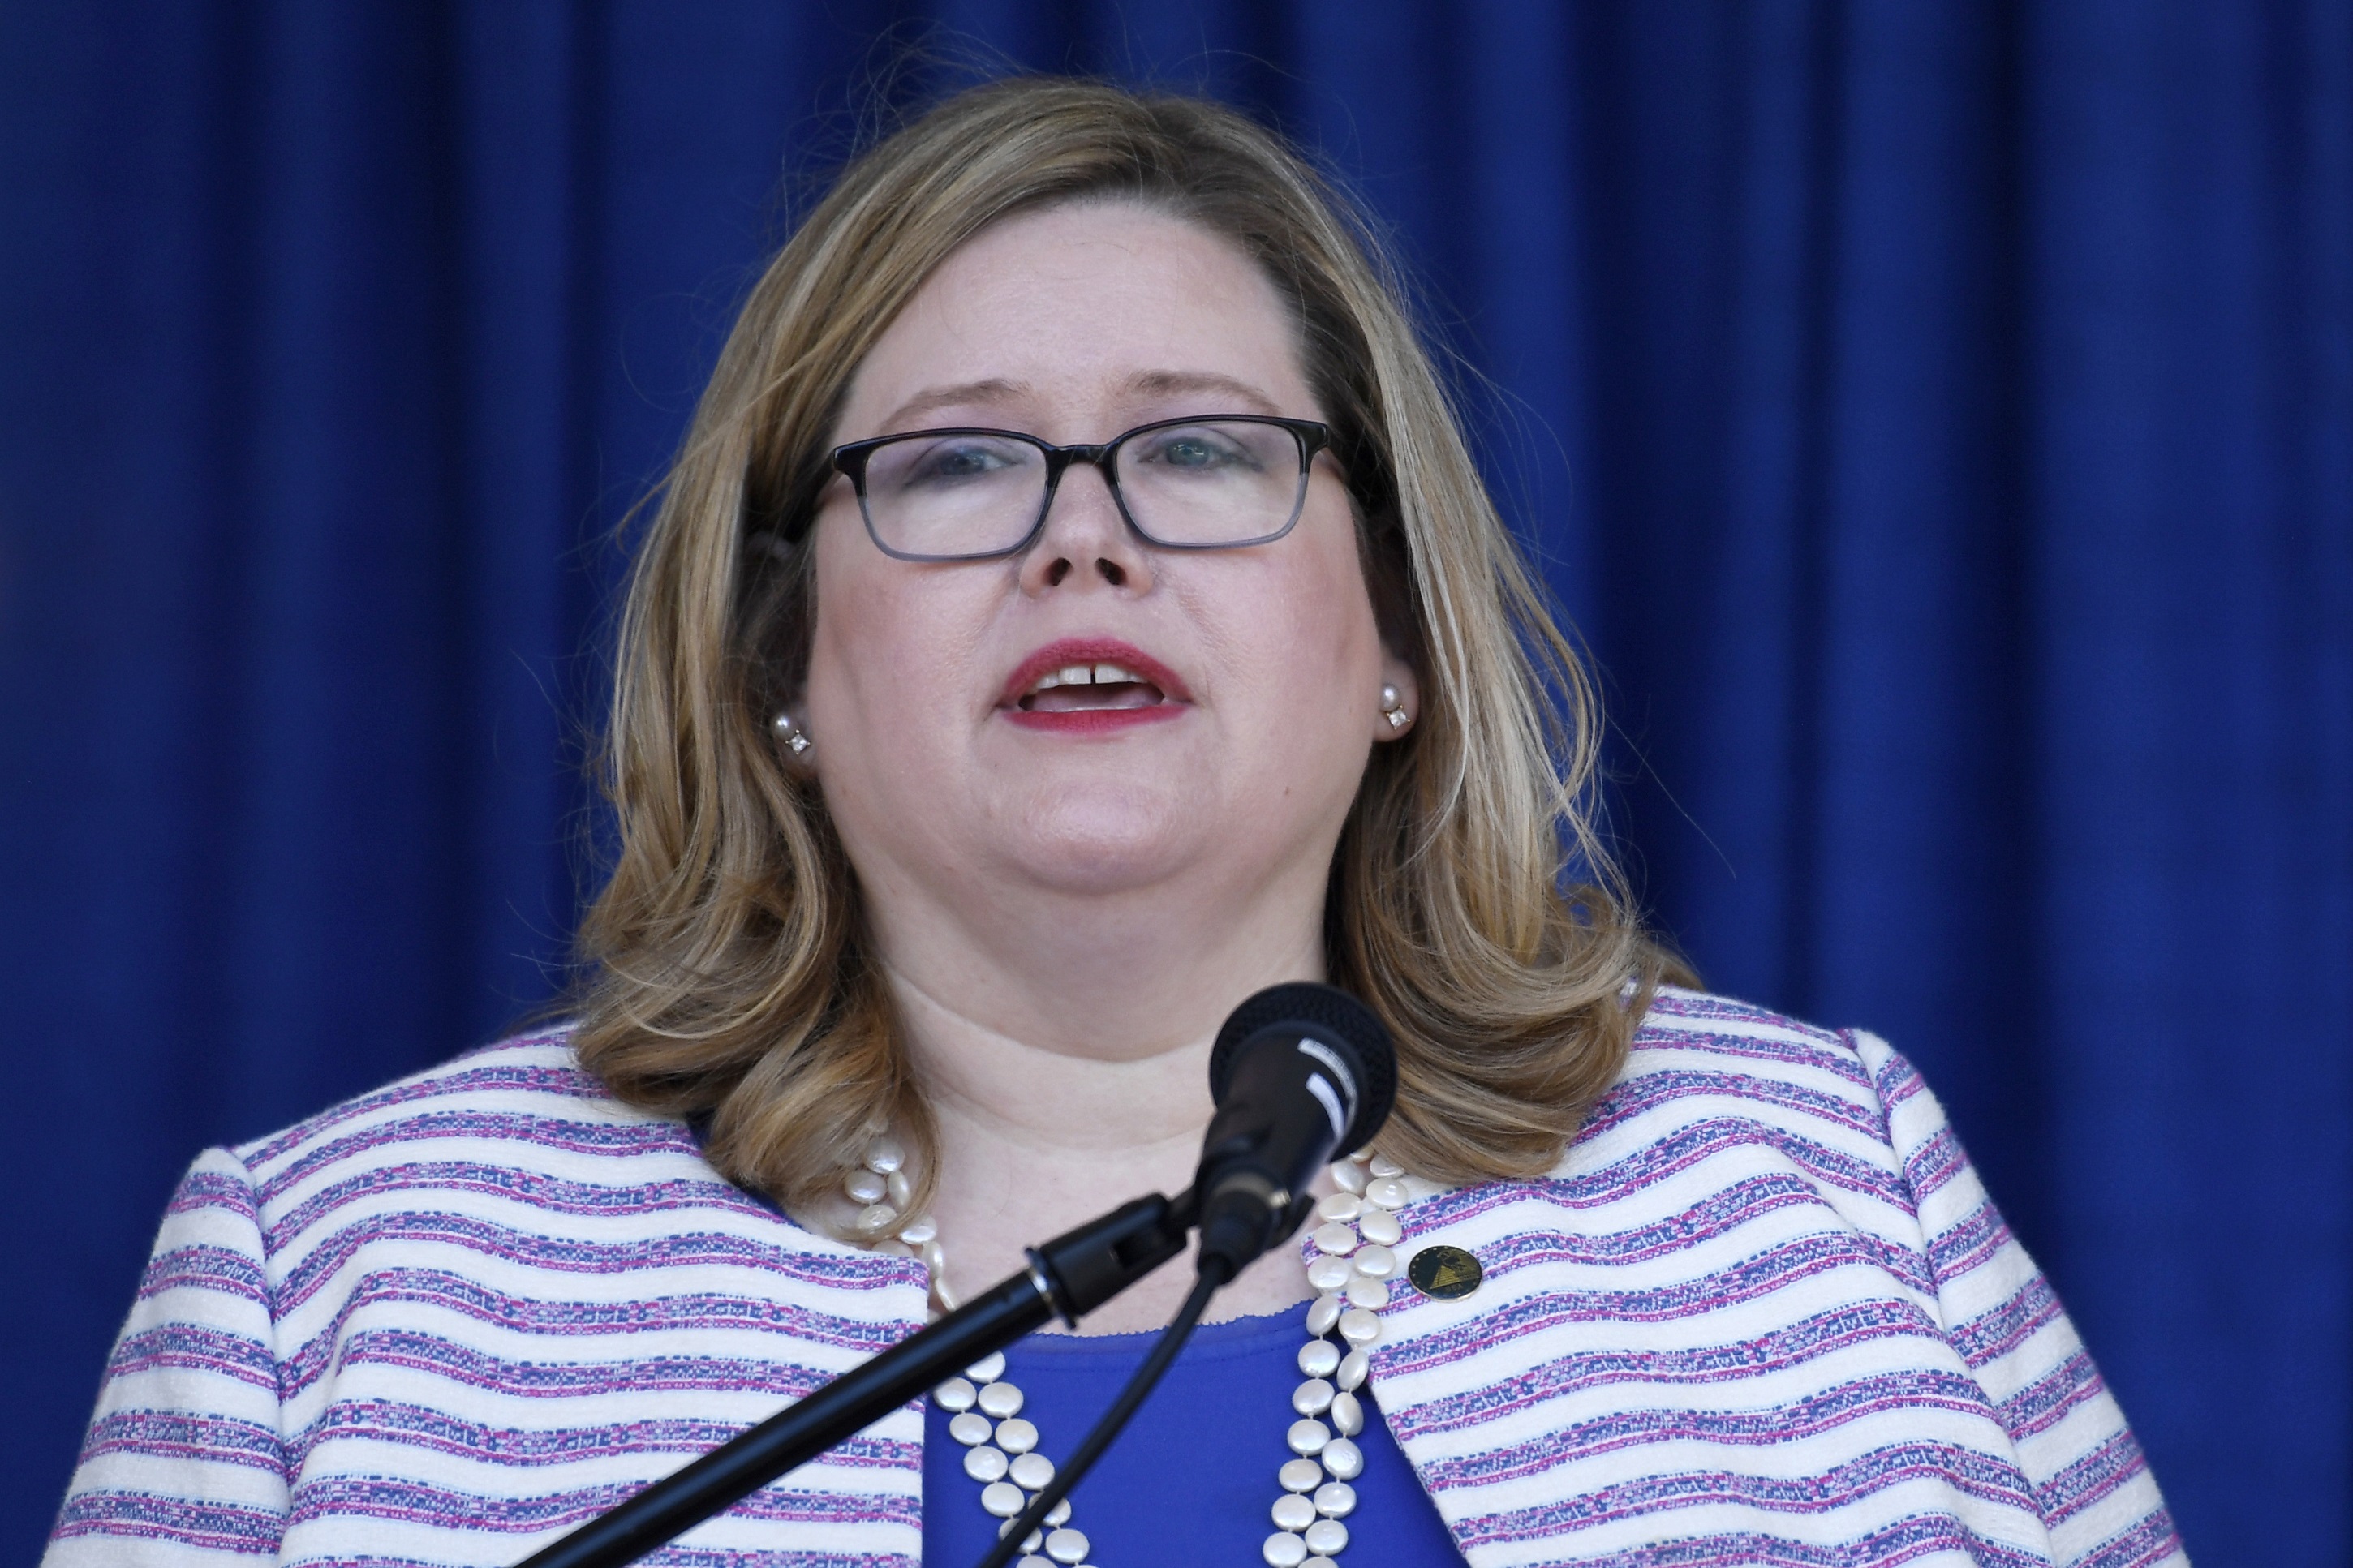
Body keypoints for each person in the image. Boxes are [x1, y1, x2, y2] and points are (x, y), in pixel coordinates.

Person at [46, 77, 2183, 1568]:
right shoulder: (344, 1276)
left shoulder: (1810, 1190)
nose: (1083, 544)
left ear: (1394, 640)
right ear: (784, 665)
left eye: (1200, 452)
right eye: (959, 468)